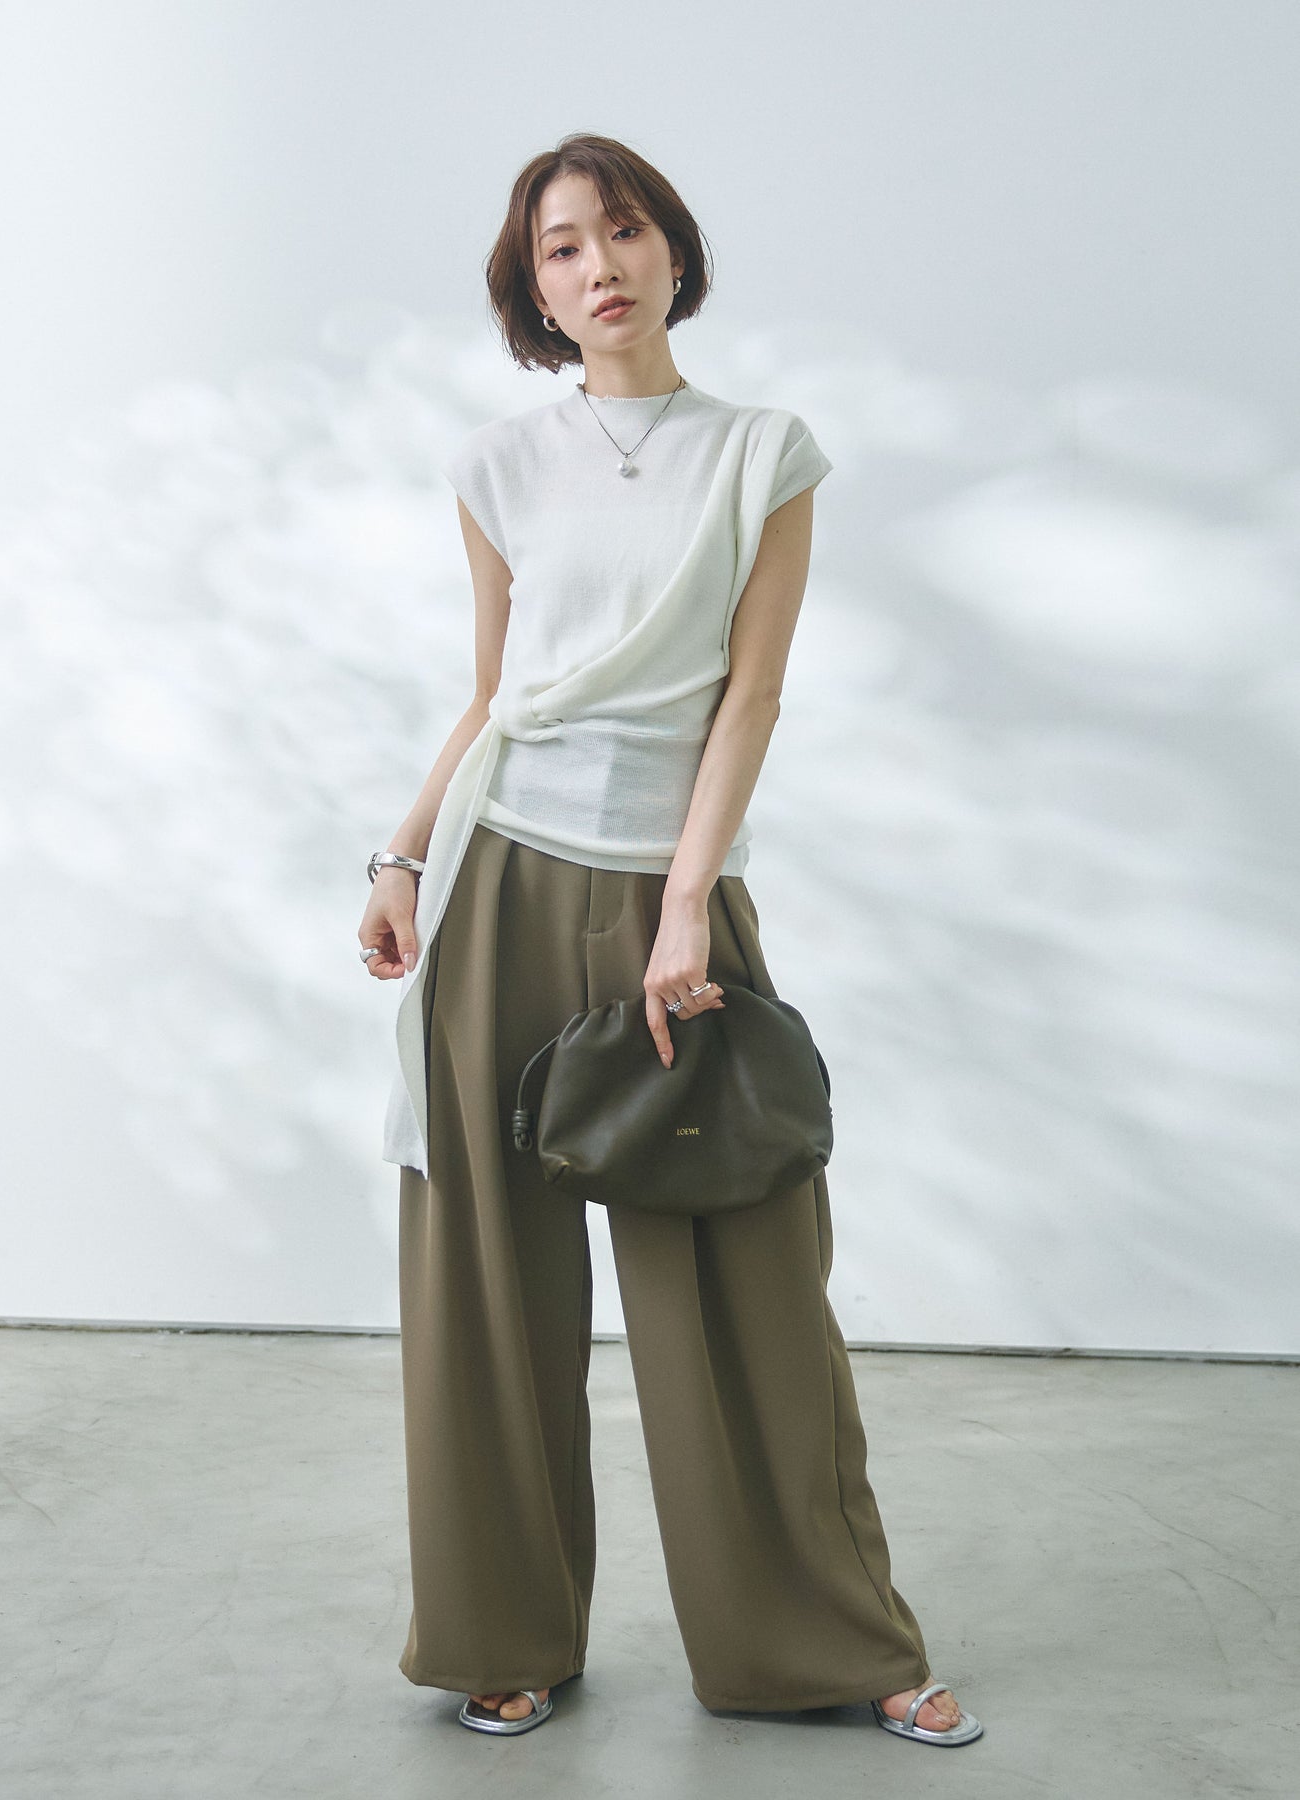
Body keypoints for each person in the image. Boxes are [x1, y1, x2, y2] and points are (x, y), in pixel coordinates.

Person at [358, 132, 983, 1749]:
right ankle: (499, 1634)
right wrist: (403, 855)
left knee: (744, 1281)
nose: (598, 267)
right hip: (498, 880)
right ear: (533, 291)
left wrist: (688, 899)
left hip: (672, 894)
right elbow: (496, 694)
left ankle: (824, 1643)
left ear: (673, 251)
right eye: (560, 249)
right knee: (487, 1283)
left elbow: (748, 695)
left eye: (621, 232)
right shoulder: (497, 464)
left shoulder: (761, 452)